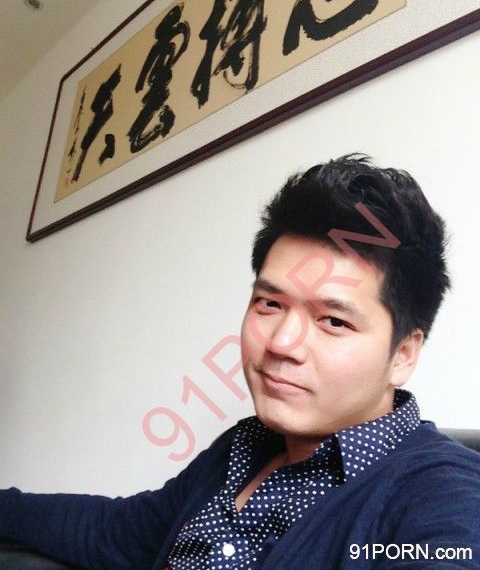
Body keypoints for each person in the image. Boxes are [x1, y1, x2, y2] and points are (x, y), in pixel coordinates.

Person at [1, 152, 479, 569]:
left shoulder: (441, 497)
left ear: (403, 355)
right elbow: (119, 531)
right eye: (269, 304)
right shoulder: (242, 448)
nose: (282, 343)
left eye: (333, 321)